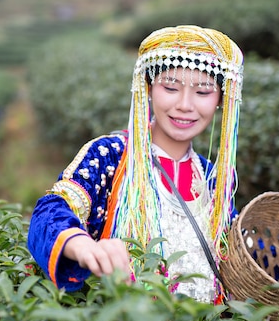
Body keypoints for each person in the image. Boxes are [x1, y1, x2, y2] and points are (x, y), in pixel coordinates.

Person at [27, 25, 244, 304]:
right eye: (170, 87)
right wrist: (82, 247)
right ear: (149, 88)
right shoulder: (110, 156)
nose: (185, 105)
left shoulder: (214, 178)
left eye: (203, 92)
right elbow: (49, 212)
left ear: (220, 100)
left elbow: (239, 249)